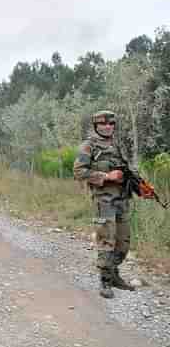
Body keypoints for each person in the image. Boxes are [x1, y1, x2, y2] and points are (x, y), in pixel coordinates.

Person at [73, 110, 141, 299]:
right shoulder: (89, 146)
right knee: (106, 240)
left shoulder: (118, 145)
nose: (108, 127)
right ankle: (105, 281)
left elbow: (128, 170)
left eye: (111, 124)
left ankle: (114, 274)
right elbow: (79, 172)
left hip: (122, 199)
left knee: (123, 243)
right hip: (103, 202)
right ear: (96, 125)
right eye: (103, 124)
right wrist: (106, 176)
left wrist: (139, 186)